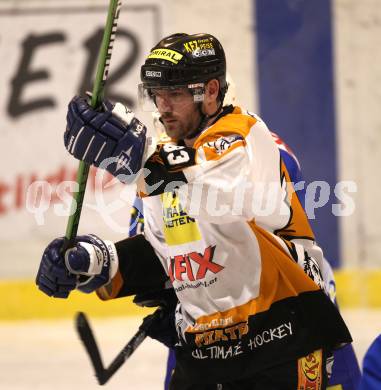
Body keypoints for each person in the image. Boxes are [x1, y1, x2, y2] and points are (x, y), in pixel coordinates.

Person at [36, 32, 353, 389]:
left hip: (282, 339)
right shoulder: (161, 163)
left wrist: (142, 157)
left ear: (212, 91)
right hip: (207, 351)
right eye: (157, 95)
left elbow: (221, 200)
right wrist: (95, 261)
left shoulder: (245, 136)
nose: (163, 106)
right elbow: (168, 251)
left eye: (175, 94)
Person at [129, 77, 361, 390]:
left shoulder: (258, 152)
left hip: (285, 325)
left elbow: (274, 244)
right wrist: (168, 296)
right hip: (204, 331)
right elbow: (149, 248)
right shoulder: (159, 167)